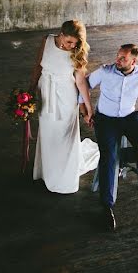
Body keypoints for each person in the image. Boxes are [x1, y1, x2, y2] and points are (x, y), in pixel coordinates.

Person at [81, 43, 138, 231]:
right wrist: (85, 111)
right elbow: (83, 85)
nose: (118, 60)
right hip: (105, 120)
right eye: (117, 56)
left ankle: (118, 157)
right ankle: (106, 206)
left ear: (133, 61)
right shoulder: (105, 71)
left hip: (128, 119)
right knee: (108, 158)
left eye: (123, 58)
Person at [30, 20, 99, 194]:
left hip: (66, 97)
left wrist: (89, 108)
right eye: (69, 42)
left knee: (64, 135)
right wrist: (30, 89)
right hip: (45, 92)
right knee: (48, 133)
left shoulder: (76, 52)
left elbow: (81, 82)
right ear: (61, 34)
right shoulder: (46, 40)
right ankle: (47, 172)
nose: (71, 46)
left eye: (75, 43)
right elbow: (38, 66)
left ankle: (63, 177)